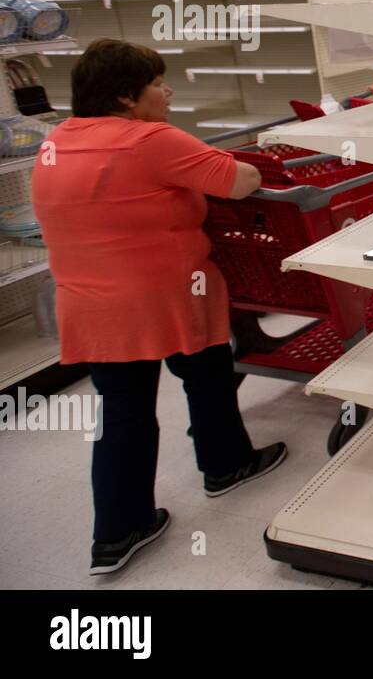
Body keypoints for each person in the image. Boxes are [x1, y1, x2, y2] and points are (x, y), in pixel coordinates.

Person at [31, 39, 288, 575]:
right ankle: (226, 466)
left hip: (90, 303)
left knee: (122, 412)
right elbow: (242, 181)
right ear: (127, 97)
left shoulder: (56, 140)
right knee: (208, 376)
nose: (167, 92)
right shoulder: (149, 138)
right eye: (157, 84)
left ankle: (117, 533)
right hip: (168, 295)